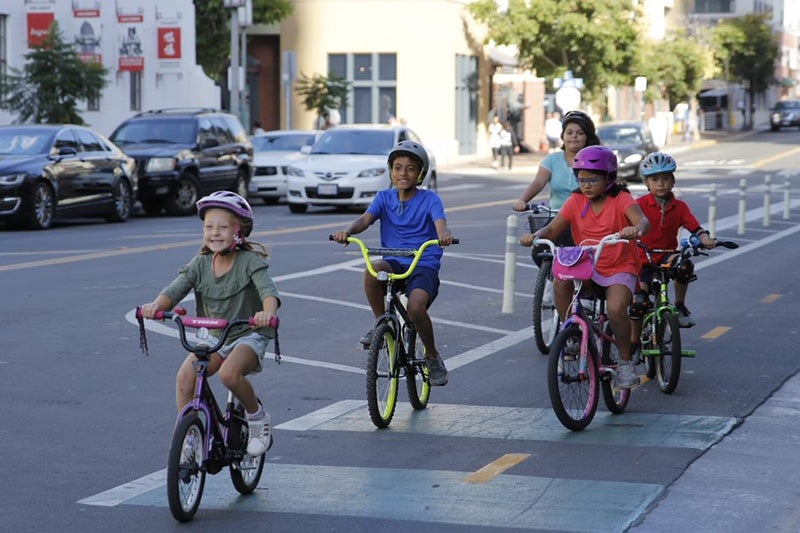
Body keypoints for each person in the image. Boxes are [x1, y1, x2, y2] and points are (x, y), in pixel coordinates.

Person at [138, 191, 280, 457]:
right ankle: (188, 437)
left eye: (223, 227)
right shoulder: (200, 263)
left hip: (247, 334)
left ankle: (257, 417)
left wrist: (267, 313)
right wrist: (156, 306)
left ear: (239, 231)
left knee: (229, 374)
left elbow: (268, 292)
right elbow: (175, 289)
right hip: (214, 336)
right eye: (209, 226)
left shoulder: (250, 262)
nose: (215, 232)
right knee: (185, 377)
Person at [519, 145, 650, 389]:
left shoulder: (621, 199)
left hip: (619, 266)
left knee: (616, 307)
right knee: (561, 280)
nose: (586, 184)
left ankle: (624, 362)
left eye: (593, 179)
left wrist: (636, 229)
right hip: (587, 265)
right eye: (581, 178)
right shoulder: (575, 200)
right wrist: (536, 235)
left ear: (609, 178)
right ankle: (572, 331)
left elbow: (642, 221)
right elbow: (553, 228)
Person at [331, 140, 455, 386]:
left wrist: (443, 234)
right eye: (398, 167)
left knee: (416, 308)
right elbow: (365, 219)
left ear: (420, 173)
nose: (403, 174)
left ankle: (432, 355)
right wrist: (348, 232)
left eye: (410, 168)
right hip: (394, 261)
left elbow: (440, 222)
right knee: (372, 270)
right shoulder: (384, 198)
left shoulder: (430, 199)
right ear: (390, 170)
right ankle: (382, 323)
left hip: (422, 262)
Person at [630, 152, 715, 353]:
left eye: (666, 178)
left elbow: (695, 227)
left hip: (667, 254)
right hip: (642, 259)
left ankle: (679, 306)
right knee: (639, 303)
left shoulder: (679, 206)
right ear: (646, 183)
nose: (661, 184)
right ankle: (633, 343)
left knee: (685, 264)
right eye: (655, 179)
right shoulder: (638, 205)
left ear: (673, 181)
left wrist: (704, 237)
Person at [513, 110, 601, 213]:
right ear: (563, 135)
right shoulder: (552, 160)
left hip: (587, 218)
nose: (574, 136)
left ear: (587, 137)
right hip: (556, 220)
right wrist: (522, 200)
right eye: (569, 132)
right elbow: (538, 183)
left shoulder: (596, 160)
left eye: (580, 133)